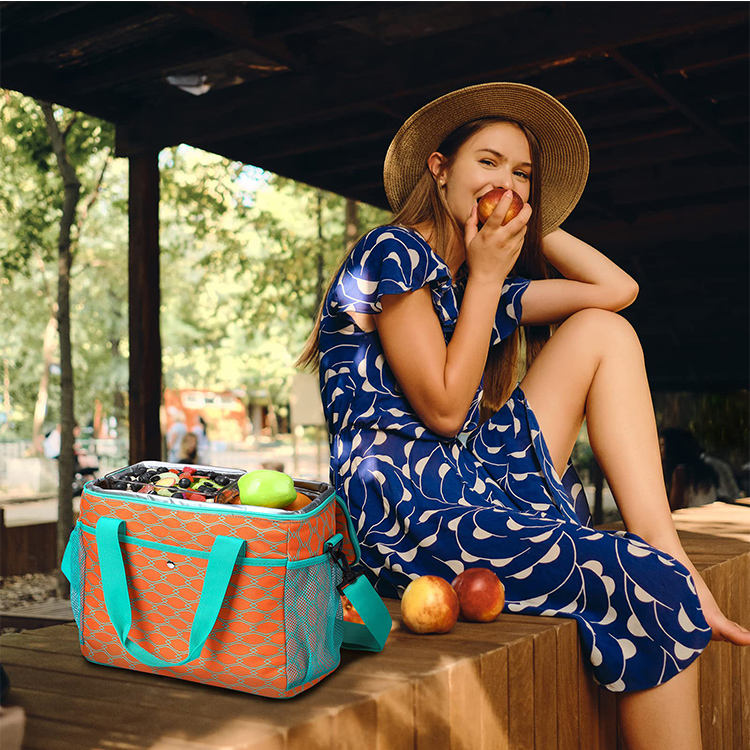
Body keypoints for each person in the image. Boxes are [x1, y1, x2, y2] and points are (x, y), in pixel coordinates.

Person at [295, 82, 750, 749]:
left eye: (522, 173)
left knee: (603, 330)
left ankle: (666, 545)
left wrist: (528, 222)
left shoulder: (477, 282)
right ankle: (659, 570)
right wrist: (485, 275)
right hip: (405, 510)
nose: (505, 181)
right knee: (643, 584)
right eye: (488, 162)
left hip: (469, 477)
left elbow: (616, 291)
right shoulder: (393, 253)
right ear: (439, 168)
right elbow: (445, 410)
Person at [660, 428, 740, 510]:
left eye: (662, 445)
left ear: (672, 448)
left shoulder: (680, 472)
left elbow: (674, 507)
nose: (660, 450)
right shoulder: (704, 468)